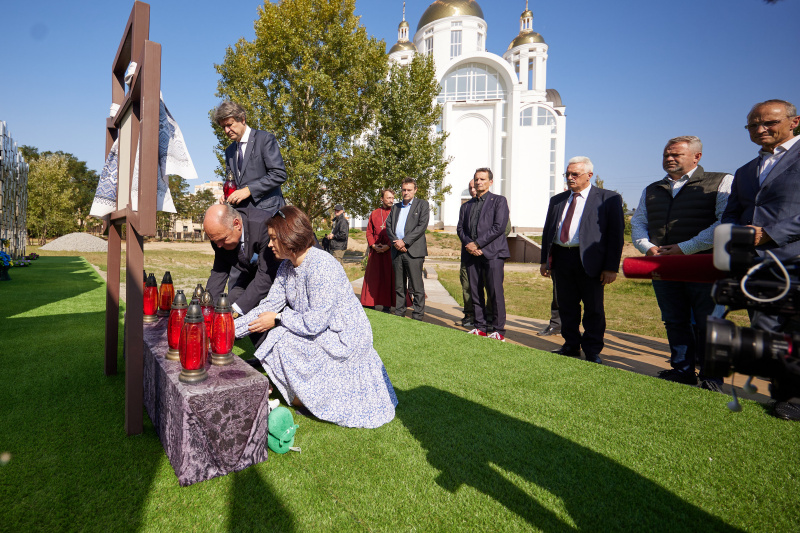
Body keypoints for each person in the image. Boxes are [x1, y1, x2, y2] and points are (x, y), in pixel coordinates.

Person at [233, 206, 398, 428]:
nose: (269, 244)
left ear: (289, 237)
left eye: (273, 239)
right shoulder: (286, 267)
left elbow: (316, 322)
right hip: (320, 330)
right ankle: (303, 395)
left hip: (345, 338)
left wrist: (279, 319)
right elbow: (269, 305)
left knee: (280, 335)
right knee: (279, 336)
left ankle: (307, 398)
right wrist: (228, 330)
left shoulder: (322, 266)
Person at [630, 136, 732, 389]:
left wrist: (685, 248)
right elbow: (638, 223)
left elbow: (724, 222)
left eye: (676, 154)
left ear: (697, 157)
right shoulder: (652, 189)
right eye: (666, 154)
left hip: (704, 265)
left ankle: (711, 376)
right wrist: (647, 246)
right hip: (664, 266)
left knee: (710, 321)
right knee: (674, 319)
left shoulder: (720, 182)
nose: (669, 159)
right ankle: (682, 370)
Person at [721, 99, 800, 420]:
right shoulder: (744, 171)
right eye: (753, 125)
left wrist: (770, 233)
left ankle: (795, 397)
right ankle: (782, 394)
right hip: (756, 267)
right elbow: (731, 216)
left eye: (768, 123)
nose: (760, 129)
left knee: (796, 332)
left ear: (794, 121)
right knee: (767, 334)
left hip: (794, 260)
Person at [540, 156, 624, 364]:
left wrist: (611, 267)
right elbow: (548, 232)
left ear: (589, 175)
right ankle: (570, 345)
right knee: (566, 306)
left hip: (591, 261)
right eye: (567, 174)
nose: (570, 178)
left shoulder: (608, 198)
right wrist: (545, 261)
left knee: (594, 308)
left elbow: (616, 236)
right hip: (562, 258)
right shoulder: (557, 200)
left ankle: (592, 350)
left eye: (574, 174)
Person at [203, 204, 280, 346]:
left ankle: (272, 353)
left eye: (222, 239)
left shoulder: (263, 225)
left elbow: (265, 277)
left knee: (242, 308)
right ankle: (262, 353)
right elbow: (219, 273)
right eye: (214, 241)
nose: (218, 245)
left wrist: (236, 311)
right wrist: (207, 308)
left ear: (237, 224)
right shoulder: (218, 239)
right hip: (251, 272)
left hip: (279, 272)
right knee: (229, 306)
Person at [457, 168, 510, 341]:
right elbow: (460, 229)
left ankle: (498, 330)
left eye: (482, 179)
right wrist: (469, 245)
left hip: (493, 253)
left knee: (495, 292)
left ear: (490, 182)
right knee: (475, 291)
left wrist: (478, 243)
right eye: (476, 179)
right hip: (471, 255)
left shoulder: (499, 201)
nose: (479, 182)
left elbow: (499, 227)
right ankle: (480, 326)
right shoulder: (466, 206)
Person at [214, 100, 287, 217]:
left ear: (242, 119)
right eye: (223, 127)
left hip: (268, 215)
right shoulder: (229, 151)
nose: (226, 130)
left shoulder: (265, 139)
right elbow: (232, 181)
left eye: (229, 124)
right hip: (242, 216)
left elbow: (278, 174)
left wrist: (249, 190)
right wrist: (227, 195)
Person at [386, 177, 429, 320]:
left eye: (409, 190)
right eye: (404, 189)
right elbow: (389, 227)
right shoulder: (396, 207)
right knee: (399, 285)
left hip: (414, 251)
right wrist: (396, 243)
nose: (406, 192)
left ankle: (417, 314)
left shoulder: (422, 205)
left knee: (416, 286)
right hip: (397, 251)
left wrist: (404, 242)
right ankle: (400, 312)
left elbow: (421, 227)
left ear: (415, 190)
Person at [361, 190, 396, 310]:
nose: (391, 200)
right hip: (375, 251)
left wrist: (389, 245)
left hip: (390, 251)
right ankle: (370, 303)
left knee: (387, 278)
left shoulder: (396, 213)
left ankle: (387, 306)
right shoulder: (374, 213)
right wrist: (373, 245)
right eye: (388, 198)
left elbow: (399, 232)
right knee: (374, 278)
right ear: (382, 199)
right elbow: (369, 232)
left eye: (392, 198)